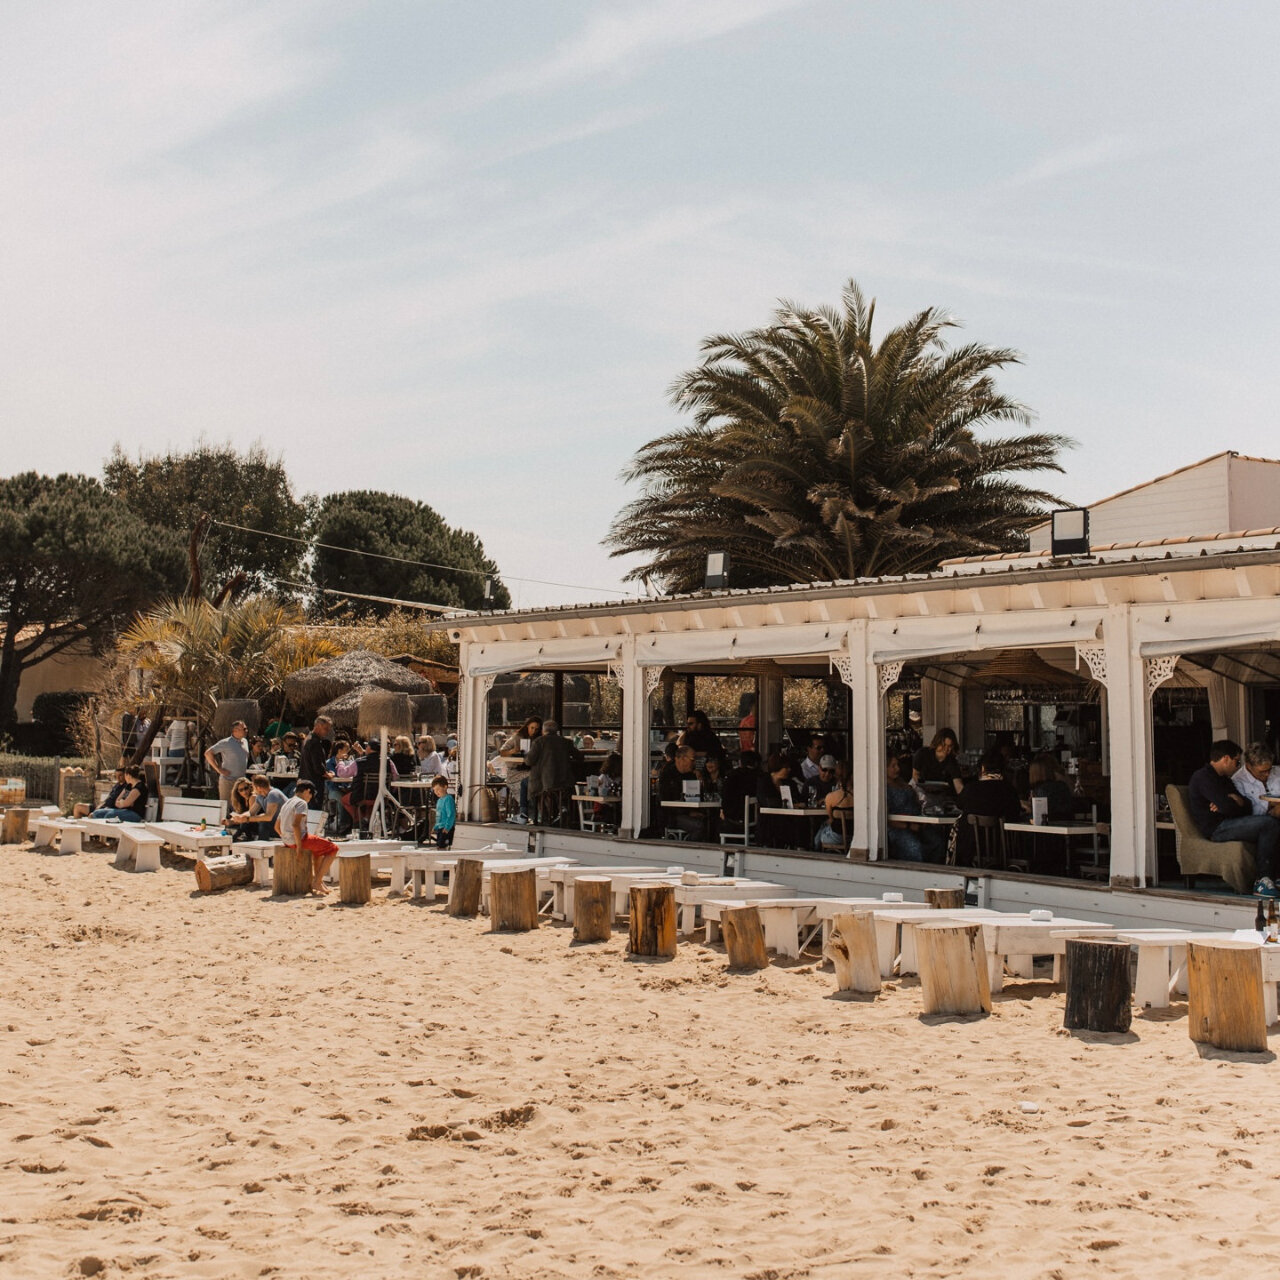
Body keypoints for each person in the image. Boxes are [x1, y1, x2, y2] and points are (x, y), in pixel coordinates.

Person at [1188, 740, 1280, 898]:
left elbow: (1246, 805)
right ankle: (1262, 880)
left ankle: (1275, 877)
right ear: (1225, 759)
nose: (1238, 766)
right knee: (1269, 824)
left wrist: (1235, 802)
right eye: (1237, 762)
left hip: (1229, 822)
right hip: (1217, 828)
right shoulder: (1203, 777)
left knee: (1272, 824)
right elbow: (1229, 807)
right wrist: (1232, 802)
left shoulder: (1224, 779)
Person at [954, 748, 1024, 867]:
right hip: (1002, 849)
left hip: (971, 849)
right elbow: (1015, 813)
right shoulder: (1009, 790)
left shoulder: (971, 788)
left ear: (982, 768)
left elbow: (959, 804)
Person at [276, 780, 339, 894]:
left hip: (287, 840)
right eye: (311, 795)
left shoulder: (287, 802)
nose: (310, 798)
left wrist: (285, 837)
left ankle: (319, 881)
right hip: (298, 840)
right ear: (307, 791)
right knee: (333, 848)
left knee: (318, 851)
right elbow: (295, 825)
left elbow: (277, 827)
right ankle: (317, 881)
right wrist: (299, 847)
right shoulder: (301, 803)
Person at [526, 719, 577, 824]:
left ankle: (537, 816)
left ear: (544, 730)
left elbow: (529, 761)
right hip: (564, 780)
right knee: (555, 792)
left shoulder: (539, 741)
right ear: (557, 730)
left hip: (545, 782)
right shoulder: (566, 742)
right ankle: (561, 809)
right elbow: (579, 757)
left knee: (526, 784)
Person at [499, 716, 543, 822]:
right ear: (527, 726)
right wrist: (513, 750)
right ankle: (530, 814)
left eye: (536, 729)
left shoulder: (538, 740)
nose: (534, 731)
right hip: (515, 771)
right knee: (533, 780)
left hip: (529, 769)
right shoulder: (517, 737)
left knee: (536, 781)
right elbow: (502, 751)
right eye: (532, 728)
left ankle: (535, 814)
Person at [885, 752, 927, 862]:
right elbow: (886, 818)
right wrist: (908, 826)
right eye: (893, 766)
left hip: (918, 824)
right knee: (915, 847)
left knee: (937, 842)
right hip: (898, 828)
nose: (897, 768)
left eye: (897, 765)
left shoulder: (902, 783)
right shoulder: (884, 789)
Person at [659, 744, 706, 840]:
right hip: (672, 816)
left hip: (689, 812)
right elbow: (665, 801)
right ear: (683, 759)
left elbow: (697, 797)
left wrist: (701, 783)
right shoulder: (667, 774)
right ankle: (689, 849)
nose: (694, 763)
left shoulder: (691, 775)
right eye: (692, 760)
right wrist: (688, 812)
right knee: (699, 826)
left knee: (711, 822)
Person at [204, 720, 250, 814]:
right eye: (244, 729)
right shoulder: (226, 743)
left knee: (240, 806)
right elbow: (208, 753)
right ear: (235, 730)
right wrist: (218, 769)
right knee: (226, 808)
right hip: (228, 780)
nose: (246, 730)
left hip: (241, 781)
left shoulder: (244, 741)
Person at [755, 752, 797, 848]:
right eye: (786, 768)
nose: (789, 770)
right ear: (777, 768)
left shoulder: (789, 783)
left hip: (786, 820)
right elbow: (766, 802)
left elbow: (796, 798)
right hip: (768, 822)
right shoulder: (764, 782)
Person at [814, 760, 854, 852]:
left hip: (836, 838)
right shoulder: (860, 797)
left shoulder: (830, 797)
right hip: (855, 836)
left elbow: (831, 820)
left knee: (823, 827)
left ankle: (815, 849)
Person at [720, 749, 761, 837]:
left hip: (735, 823)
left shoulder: (732, 776)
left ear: (740, 762)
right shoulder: (761, 777)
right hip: (757, 824)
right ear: (756, 763)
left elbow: (725, 798)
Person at [1232, 743, 1280, 817]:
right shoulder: (1237, 781)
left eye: (1269, 769)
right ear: (1249, 766)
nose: (1267, 774)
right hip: (1257, 823)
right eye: (1262, 771)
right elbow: (1244, 812)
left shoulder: (1277, 771)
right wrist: (1270, 805)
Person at [912, 728, 964, 796]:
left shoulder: (952, 761)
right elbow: (915, 774)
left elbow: (958, 784)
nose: (946, 749)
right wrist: (924, 788)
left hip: (940, 795)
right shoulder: (922, 754)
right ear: (937, 743)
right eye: (944, 745)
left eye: (950, 746)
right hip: (920, 791)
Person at [298, 716, 334, 809]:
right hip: (314, 783)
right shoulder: (314, 742)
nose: (326, 732)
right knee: (314, 812)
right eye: (325, 729)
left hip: (305, 781)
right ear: (318, 726)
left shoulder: (308, 739)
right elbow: (318, 767)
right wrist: (327, 774)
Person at [1027, 752, 1074, 822]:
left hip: (1048, 827)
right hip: (1066, 825)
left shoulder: (1041, 790)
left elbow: (1039, 816)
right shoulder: (1063, 785)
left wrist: (1029, 808)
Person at [324, 741, 358, 835]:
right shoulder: (329, 763)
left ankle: (349, 823)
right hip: (333, 789)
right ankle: (343, 823)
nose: (348, 752)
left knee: (351, 798)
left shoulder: (349, 762)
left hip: (346, 788)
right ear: (339, 750)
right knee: (341, 799)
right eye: (346, 749)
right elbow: (333, 778)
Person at [241, 774, 288, 841]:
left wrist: (248, 819)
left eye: (254, 787)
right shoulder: (260, 796)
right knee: (245, 824)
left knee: (264, 823)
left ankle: (262, 845)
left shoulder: (273, 794)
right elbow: (251, 812)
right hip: (274, 826)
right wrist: (238, 818)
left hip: (282, 828)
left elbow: (268, 817)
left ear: (258, 788)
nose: (253, 790)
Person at [430, 775, 456, 850]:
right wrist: (436, 826)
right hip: (440, 827)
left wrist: (448, 827)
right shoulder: (439, 800)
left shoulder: (448, 799)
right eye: (434, 790)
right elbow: (438, 816)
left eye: (438, 789)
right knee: (439, 845)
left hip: (446, 827)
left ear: (445, 787)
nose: (436, 792)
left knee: (443, 846)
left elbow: (451, 814)